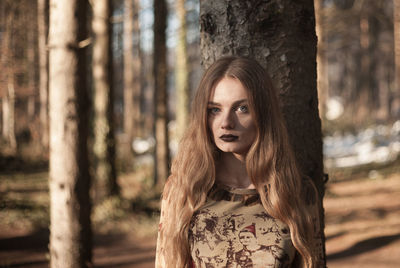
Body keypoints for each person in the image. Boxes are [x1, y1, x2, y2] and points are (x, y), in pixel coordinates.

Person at [156, 56, 321, 268]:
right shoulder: (183, 190)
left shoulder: (297, 192)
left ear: (263, 115)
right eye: (215, 110)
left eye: (242, 108)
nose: (226, 123)